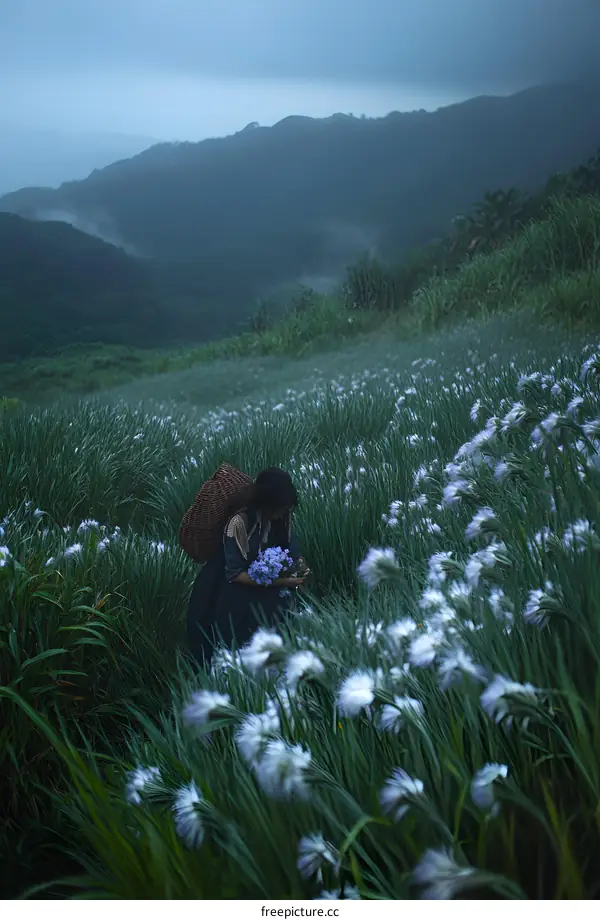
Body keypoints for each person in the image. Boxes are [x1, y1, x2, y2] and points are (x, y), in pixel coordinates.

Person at [186, 467, 309, 667]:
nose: (284, 511)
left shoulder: (281, 516)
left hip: (268, 592)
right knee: (233, 649)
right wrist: (282, 581)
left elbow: (292, 550)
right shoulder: (239, 523)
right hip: (232, 593)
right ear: (267, 502)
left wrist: (301, 566)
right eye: (280, 507)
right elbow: (235, 574)